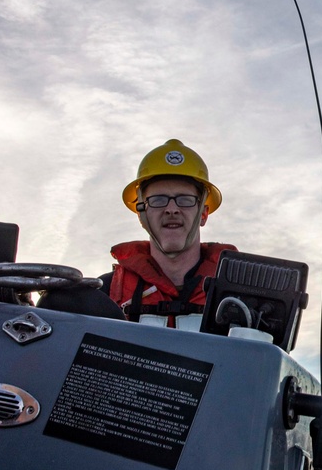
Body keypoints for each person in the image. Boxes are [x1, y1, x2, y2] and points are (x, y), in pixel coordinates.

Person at [101, 139, 236, 329]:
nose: (171, 209)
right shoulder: (104, 294)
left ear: (203, 214)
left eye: (185, 199)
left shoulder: (240, 297)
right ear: (141, 215)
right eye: (158, 200)